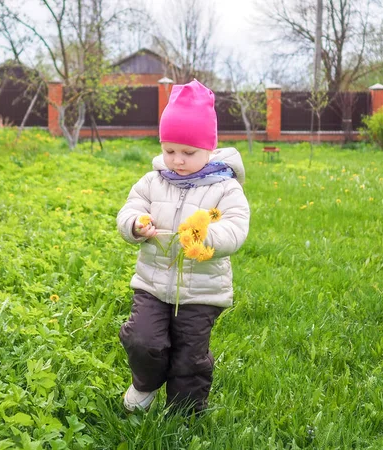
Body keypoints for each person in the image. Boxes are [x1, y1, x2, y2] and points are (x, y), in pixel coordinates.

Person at [116, 79, 250, 414]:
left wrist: (206, 238)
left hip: (202, 291)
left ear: (209, 148)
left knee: (189, 356)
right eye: (169, 150)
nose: (177, 160)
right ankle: (145, 384)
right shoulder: (152, 181)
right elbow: (130, 209)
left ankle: (185, 413)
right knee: (143, 340)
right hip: (152, 283)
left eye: (188, 153)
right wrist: (135, 224)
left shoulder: (225, 187)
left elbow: (235, 227)